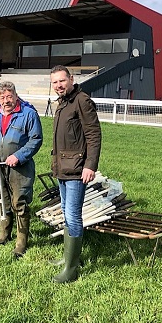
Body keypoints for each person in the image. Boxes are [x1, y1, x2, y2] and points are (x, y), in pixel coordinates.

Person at [49, 65, 101, 283]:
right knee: (65, 212)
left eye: (62, 81)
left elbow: (94, 135)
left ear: (71, 79)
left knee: (73, 215)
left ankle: (71, 269)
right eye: (55, 83)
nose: (59, 85)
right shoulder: (62, 103)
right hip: (63, 168)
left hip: (78, 169)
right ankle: (69, 258)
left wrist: (90, 165)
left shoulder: (82, 100)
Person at [0, 81, 43, 258]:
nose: (6, 100)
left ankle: (21, 242)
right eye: (2, 97)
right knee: (1, 200)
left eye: (9, 96)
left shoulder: (28, 114)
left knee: (19, 202)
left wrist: (19, 156)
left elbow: (36, 140)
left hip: (20, 168)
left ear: (15, 96)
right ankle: (3, 235)